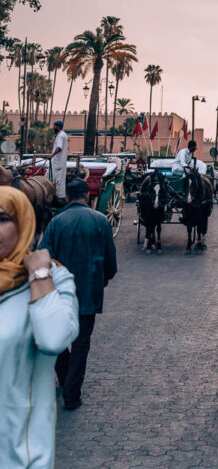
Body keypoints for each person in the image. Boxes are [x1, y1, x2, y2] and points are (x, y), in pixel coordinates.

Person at [0, 186, 79, 469]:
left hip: (19, 457)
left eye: (2, 218)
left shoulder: (54, 278)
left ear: (23, 223)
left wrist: (39, 276)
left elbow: (54, 339)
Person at [40, 178, 117, 409]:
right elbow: (111, 262)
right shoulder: (100, 221)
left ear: (67, 197)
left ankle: (65, 380)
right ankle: (72, 395)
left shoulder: (56, 222)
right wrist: (104, 278)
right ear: (86, 196)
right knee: (81, 344)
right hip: (88, 292)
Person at [50, 119, 68, 204]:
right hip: (57, 163)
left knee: (58, 181)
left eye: (54, 126)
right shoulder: (61, 135)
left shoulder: (61, 135)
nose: (53, 127)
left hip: (58, 164)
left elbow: (59, 147)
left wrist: (52, 155)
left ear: (57, 126)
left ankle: (59, 200)